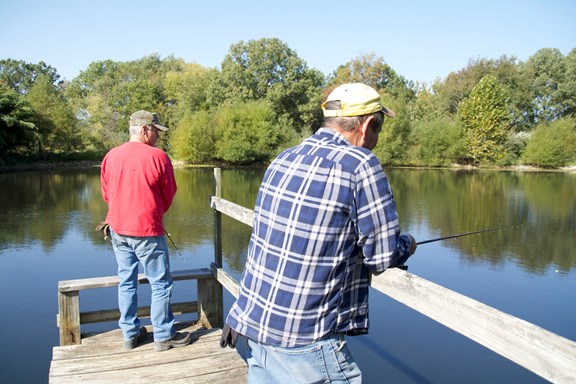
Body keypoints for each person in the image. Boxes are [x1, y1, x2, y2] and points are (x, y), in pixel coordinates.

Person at [220, 83, 417, 383]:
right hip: (307, 341)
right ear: (367, 125)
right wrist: (408, 244)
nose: (377, 138)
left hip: (254, 327)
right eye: (379, 127)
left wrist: (239, 311)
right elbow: (382, 255)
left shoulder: (283, 158)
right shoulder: (361, 165)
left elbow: (265, 244)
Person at [100, 110, 191, 352]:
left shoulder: (110, 156)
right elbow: (168, 194)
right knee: (160, 283)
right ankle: (162, 335)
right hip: (147, 230)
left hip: (117, 229)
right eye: (156, 132)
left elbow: (107, 194)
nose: (158, 137)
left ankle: (130, 334)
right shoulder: (158, 157)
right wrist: (153, 212)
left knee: (126, 281)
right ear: (144, 130)